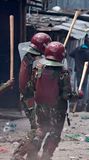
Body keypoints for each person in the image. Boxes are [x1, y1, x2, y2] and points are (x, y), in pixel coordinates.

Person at [19, 42, 82, 160]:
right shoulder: (63, 72)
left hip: (40, 107)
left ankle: (29, 152)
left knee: (41, 129)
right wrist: (77, 95)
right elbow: (66, 95)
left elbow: (31, 86)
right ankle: (45, 157)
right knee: (54, 134)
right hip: (57, 109)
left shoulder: (38, 68)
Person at [12, 32, 52, 160]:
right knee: (38, 129)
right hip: (31, 98)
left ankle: (32, 155)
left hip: (29, 97)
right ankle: (19, 153)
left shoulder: (29, 56)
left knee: (42, 127)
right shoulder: (36, 61)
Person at [70, 36, 89, 111]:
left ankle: (78, 103)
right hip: (84, 72)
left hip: (78, 71)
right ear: (88, 44)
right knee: (84, 87)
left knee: (78, 87)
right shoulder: (88, 52)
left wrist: (77, 59)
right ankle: (82, 104)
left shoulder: (78, 49)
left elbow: (71, 54)